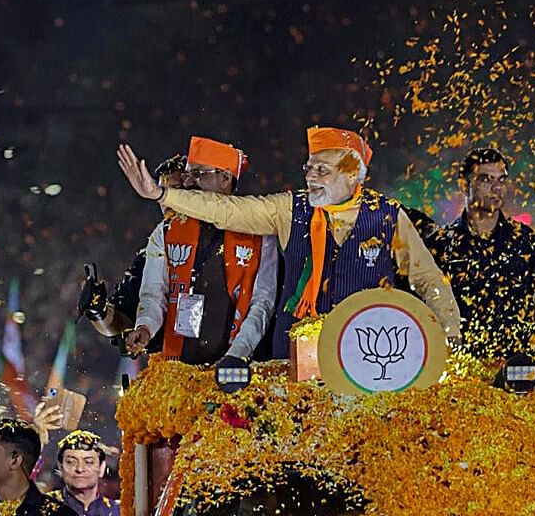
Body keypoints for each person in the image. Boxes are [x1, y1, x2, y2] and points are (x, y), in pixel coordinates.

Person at [117, 127, 462, 358]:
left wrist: (449, 336)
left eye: (322, 171)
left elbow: (428, 279)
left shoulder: (387, 215)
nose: (310, 177)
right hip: (294, 354)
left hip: (365, 352)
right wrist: (162, 193)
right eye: (309, 168)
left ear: (352, 176)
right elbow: (227, 210)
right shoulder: (289, 209)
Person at [125, 136, 279, 365]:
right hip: (176, 369)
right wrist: (145, 327)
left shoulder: (259, 234)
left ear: (225, 178)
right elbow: (154, 293)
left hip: (233, 368)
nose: (188, 183)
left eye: (198, 174)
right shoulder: (166, 230)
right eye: (187, 175)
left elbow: (262, 303)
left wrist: (236, 356)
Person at [425, 148, 535, 359]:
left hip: (524, 368)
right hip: (467, 373)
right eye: (485, 179)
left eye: (501, 179)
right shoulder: (442, 245)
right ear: (464, 185)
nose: (496, 187)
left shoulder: (526, 241)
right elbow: (427, 311)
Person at [87, 154, 186, 350]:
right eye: (161, 193)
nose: (167, 201)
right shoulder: (152, 253)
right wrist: (98, 311)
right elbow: (121, 322)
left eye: (177, 192)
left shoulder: (232, 241)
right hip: (170, 369)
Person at [53, 429, 119, 516]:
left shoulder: (118, 513)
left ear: (101, 467)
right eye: (71, 462)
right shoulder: (46, 509)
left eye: (88, 462)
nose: (79, 469)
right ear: (60, 467)